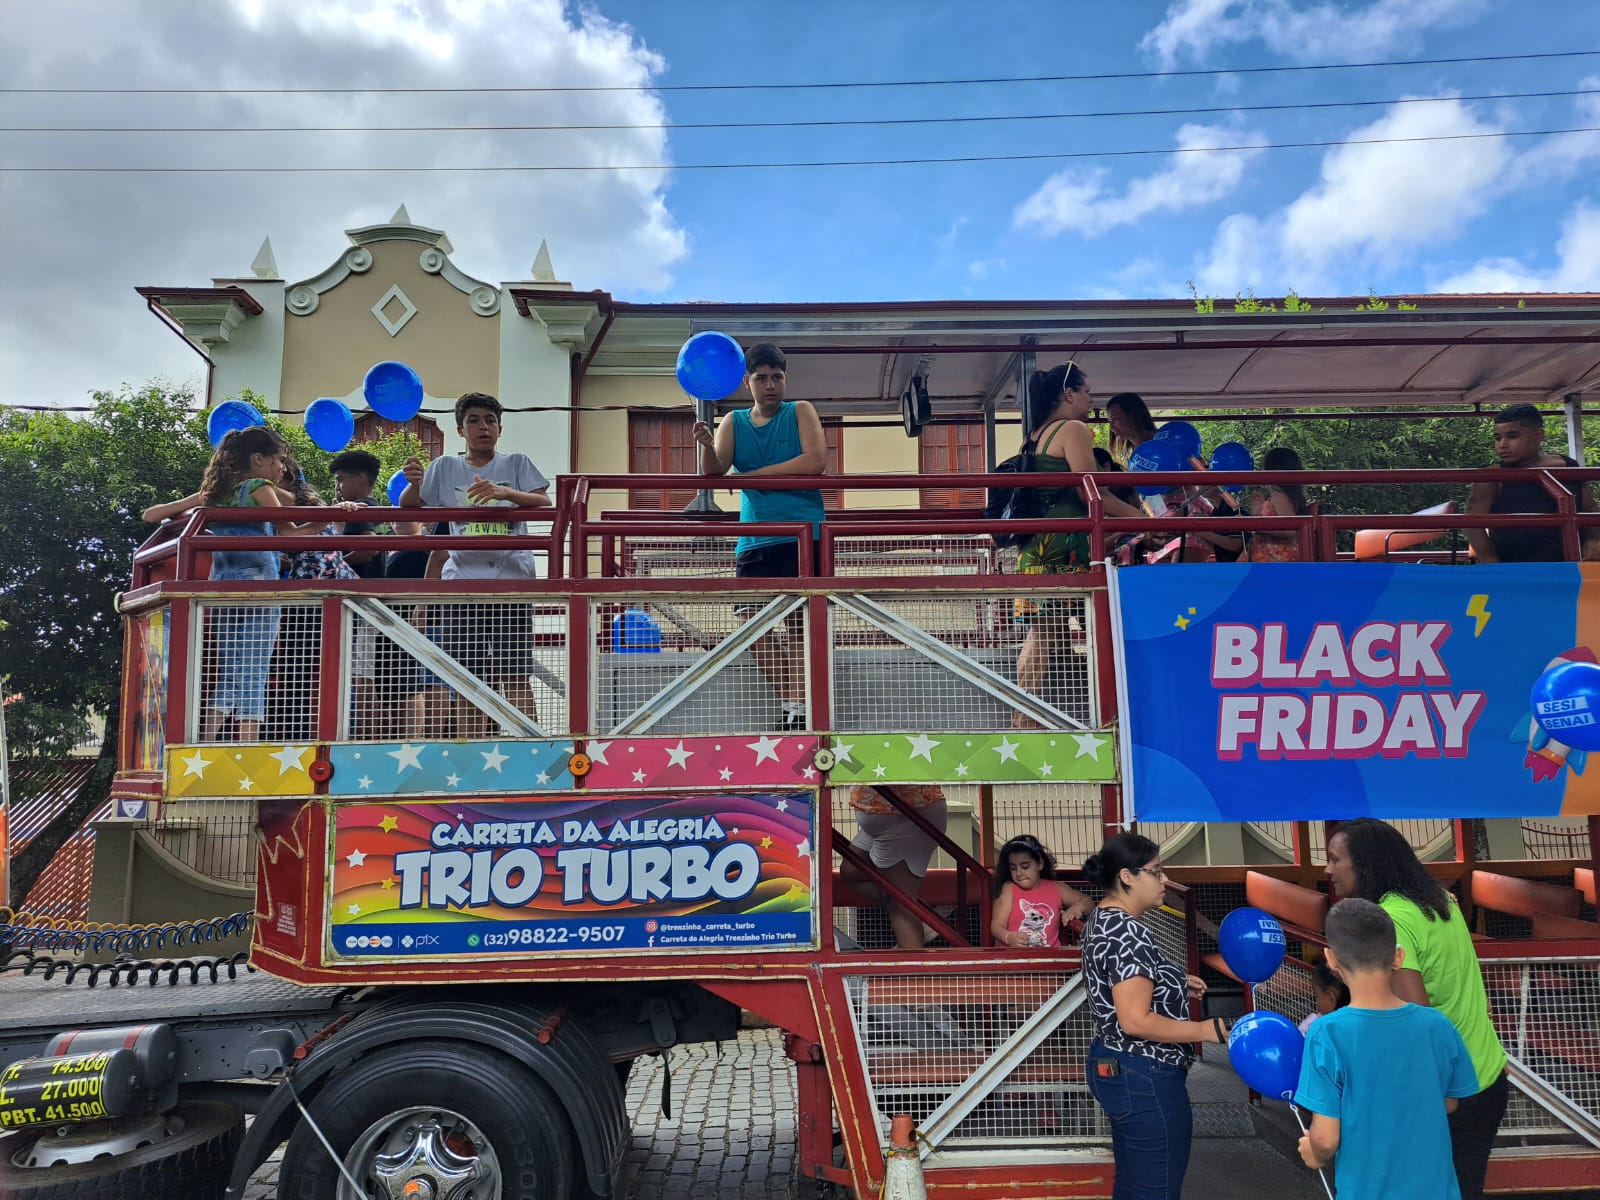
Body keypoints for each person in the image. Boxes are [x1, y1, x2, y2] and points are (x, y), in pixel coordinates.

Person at [1325, 818, 1509, 1200]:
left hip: (1445, 1093)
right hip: (1486, 1074)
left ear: (1365, 865)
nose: (1328, 870)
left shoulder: (1393, 919)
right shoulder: (1438, 899)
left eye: (1334, 859)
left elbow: (1411, 1022)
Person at [1295, 898, 1480, 1199]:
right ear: (1398, 957)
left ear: (1331, 959)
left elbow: (1326, 1138)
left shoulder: (1326, 1032)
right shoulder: (1437, 1025)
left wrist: (1313, 1151)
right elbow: (1450, 1102)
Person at [1080, 832, 1231, 1200]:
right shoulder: (1128, 931)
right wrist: (1204, 1029)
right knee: (1156, 1188)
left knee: (1133, 1184)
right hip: (1144, 1072)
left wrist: (1172, 981)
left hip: (1115, 1062)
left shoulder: (1103, 918)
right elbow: (1135, 1020)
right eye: (1156, 871)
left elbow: (1120, 980)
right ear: (1128, 877)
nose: (1164, 881)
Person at [692, 343, 825, 731]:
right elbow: (715, 472)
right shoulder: (733, 421)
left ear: (786, 379)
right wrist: (705, 446)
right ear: (748, 381)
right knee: (752, 627)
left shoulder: (800, 410)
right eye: (762, 377)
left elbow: (815, 461)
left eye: (777, 377)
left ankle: (800, 712)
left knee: (800, 626)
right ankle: (792, 703)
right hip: (754, 541)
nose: (770, 385)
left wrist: (749, 479)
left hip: (805, 535)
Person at [400, 392, 551, 733]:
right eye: (474, 420)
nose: (483, 426)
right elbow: (412, 507)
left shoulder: (516, 463)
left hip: (511, 585)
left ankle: (531, 750)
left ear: (500, 429)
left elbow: (544, 502)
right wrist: (413, 483)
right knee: (465, 677)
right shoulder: (444, 466)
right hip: (462, 587)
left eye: (490, 420)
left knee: (514, 673)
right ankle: (472, 750)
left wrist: (505, 493)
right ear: (459, 430)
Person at [143, 427, 301, 742]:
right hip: (259, 587)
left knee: (230, 671)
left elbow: (151, 515)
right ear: (259, 459)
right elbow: (291, 533)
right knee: (255, 671)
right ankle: (247, 748)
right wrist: (328, 520)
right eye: (279, 459)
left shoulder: (216, 493)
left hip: (221, 587)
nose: (283, 467)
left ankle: (207, 741)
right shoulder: (259, 487)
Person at [1012, 364, 1142, 727]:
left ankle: (1024, 717)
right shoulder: (1073, 429)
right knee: (1081, 626)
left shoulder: (1034, 435)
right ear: (1069, 394)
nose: (1091, 399)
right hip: (1064, 544)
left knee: (1043, 633)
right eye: (1087, 392)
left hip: (1036, 543)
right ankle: (1097, 720)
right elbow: (1091, 492)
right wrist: (1140, 517)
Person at [1466, 402, 1600, 563]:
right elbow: (1472, 522)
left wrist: (1593, 540)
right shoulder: (1493, 477)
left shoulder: (1567, 466)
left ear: (1539, 435)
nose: (1502, 444)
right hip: (1515, 567)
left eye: (1512, 436)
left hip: (1568, 564)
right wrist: (1491, 561)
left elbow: (1589, 508)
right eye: (1498, 438)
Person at [839, 785, 948, 950]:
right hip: (886, 814)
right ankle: (920, 919)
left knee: (902, 902)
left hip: (905, 815)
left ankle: (916, 967)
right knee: (851, 871)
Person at [989, 834, 1092, 948]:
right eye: (1013, 868)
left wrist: (1079, 907)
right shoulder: (1009, 889)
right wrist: (1008, 937)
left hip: (1049, 960)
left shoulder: (1056, 888)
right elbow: (997, 925)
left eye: (1025, 867)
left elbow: (1089, 902)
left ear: (1040, 864)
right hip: (1013, 960)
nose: (1018, 873)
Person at [1239, 446, 1311, 563]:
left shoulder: (1280, 497)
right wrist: (1256, 514)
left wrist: (1252, 524)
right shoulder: (1278, 497)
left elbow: (1290, 530)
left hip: (1277, 559)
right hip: (1269, 558)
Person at [1297, 951, 1351, 1035]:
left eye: (1317, 995)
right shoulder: (1362, 1021)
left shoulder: (1316, 1026)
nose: (1316, 1001)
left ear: (1331, 997)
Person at [1105, 392, 1159, 463]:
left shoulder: (1163, 441)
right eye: (1110, 422)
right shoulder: (1132, 453)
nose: (1112, 428)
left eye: (1115, 419)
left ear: (1133, 416)